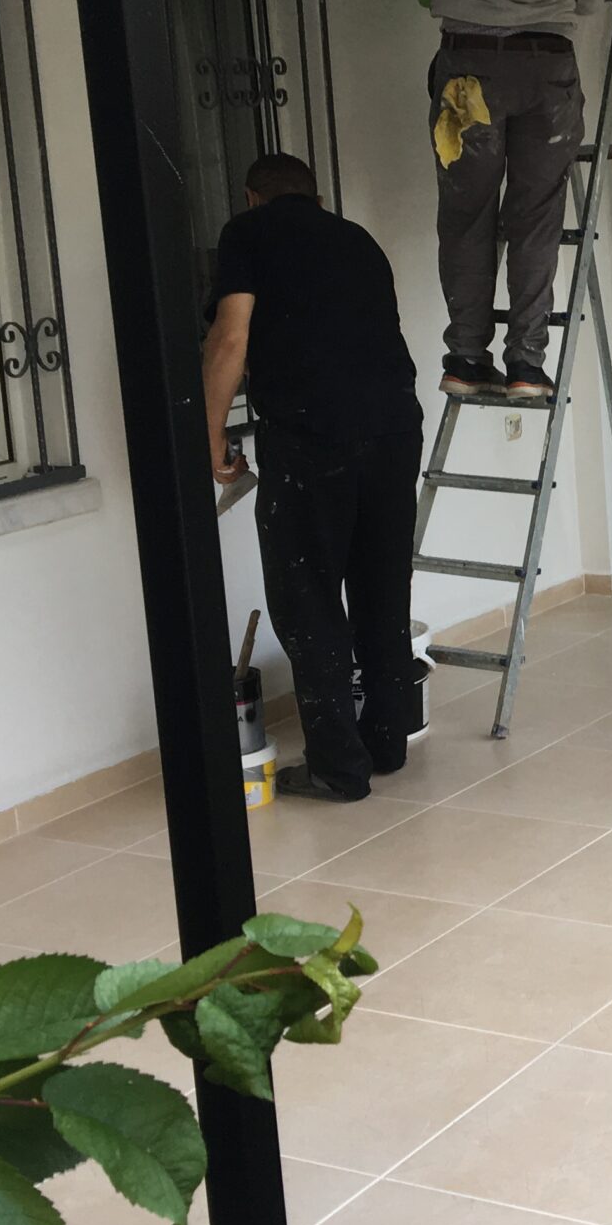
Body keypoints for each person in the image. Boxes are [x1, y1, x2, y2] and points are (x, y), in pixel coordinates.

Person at [203, 154, 423, 804]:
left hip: (312, 436)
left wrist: (208, 436)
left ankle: (337, 767)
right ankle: (386, 741)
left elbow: (229, 340)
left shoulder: (248, 233)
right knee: (382, 587)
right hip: (394, 428)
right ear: (318, 198)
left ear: (252, 196)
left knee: (308, 597)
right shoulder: (358, 240)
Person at [378, 0, 601, 405]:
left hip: (470, 71)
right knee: (537, 217)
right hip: (551, 71)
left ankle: (467, 358)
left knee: (468, 213)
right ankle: (528, 365)